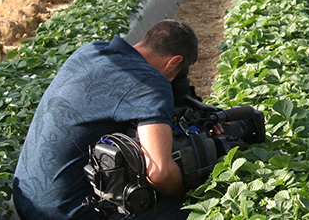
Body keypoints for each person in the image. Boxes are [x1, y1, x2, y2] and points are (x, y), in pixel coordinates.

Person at [12, 20, 199, 220]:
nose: (171, 80)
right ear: (173, 62)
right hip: (68, 213)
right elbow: (159, 173)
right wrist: (187, 196)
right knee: (190, 211)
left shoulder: (91, 51)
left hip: (25, 200)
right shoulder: (150, 82)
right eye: (174, 74)